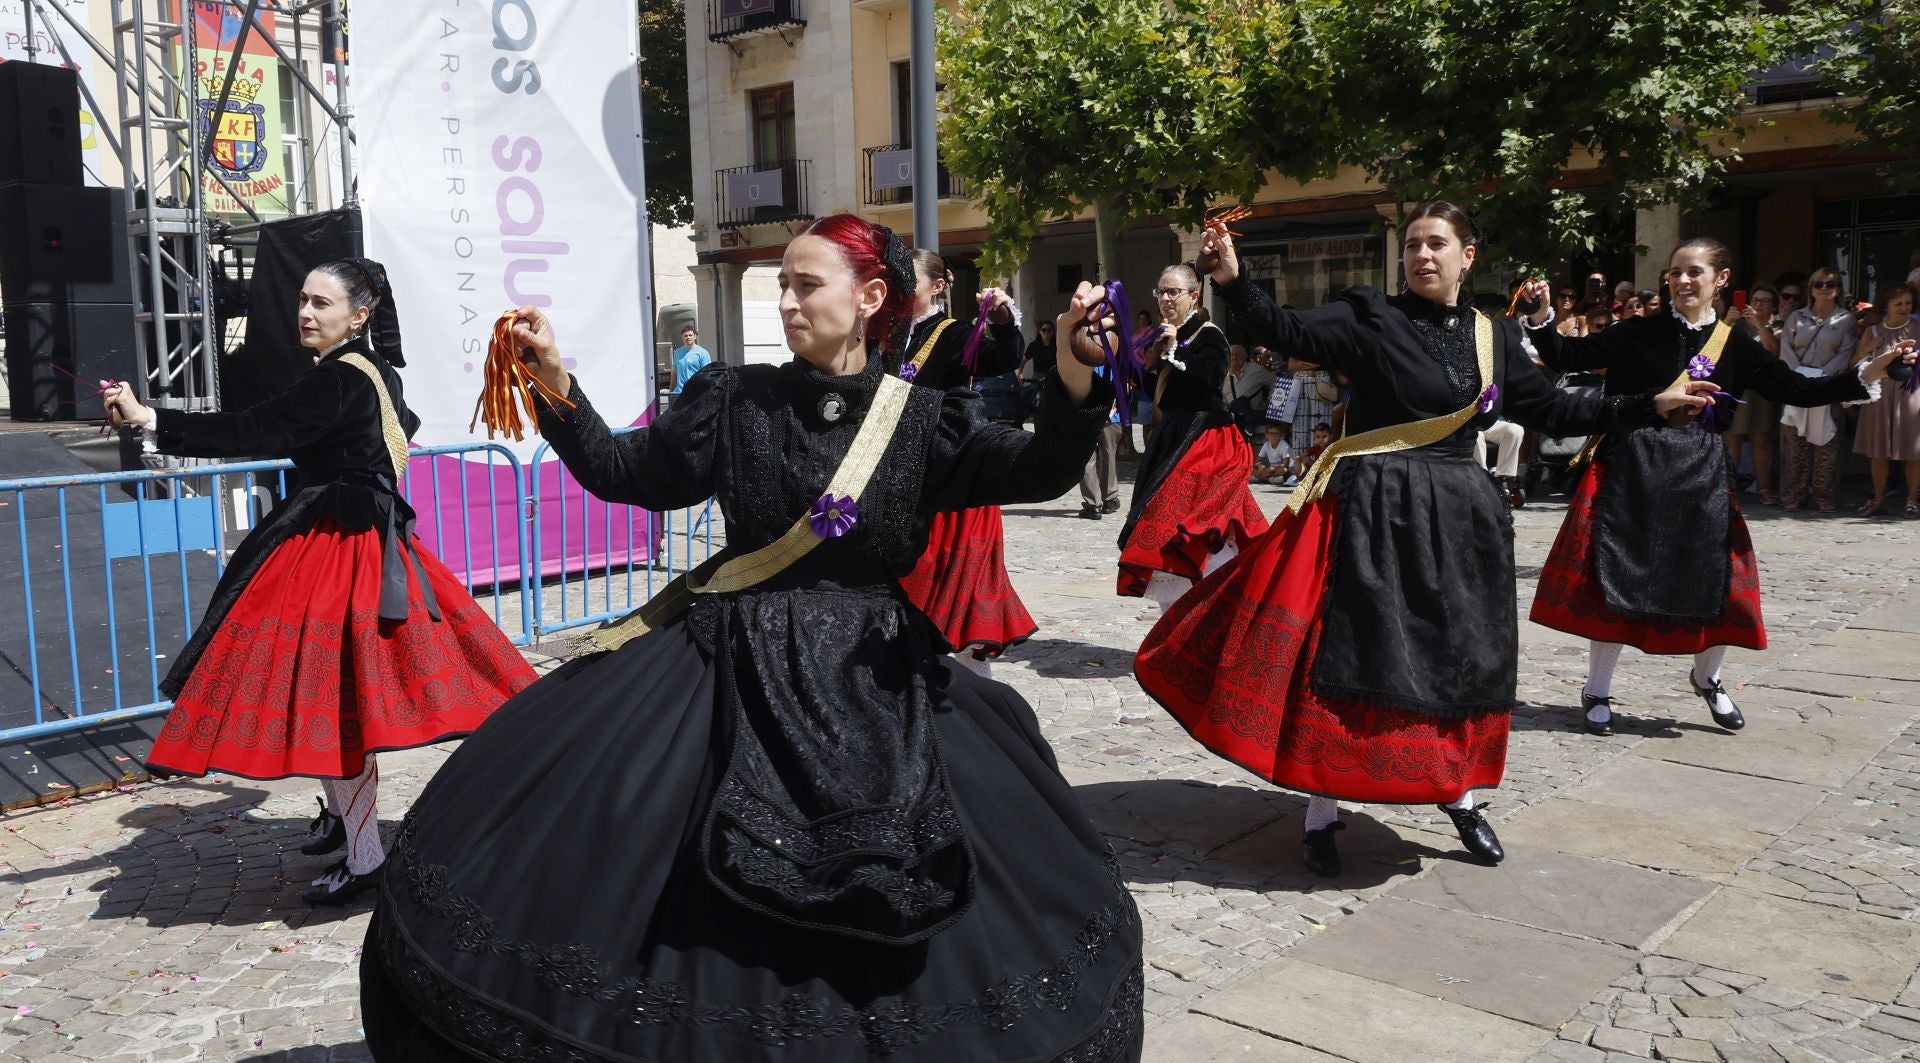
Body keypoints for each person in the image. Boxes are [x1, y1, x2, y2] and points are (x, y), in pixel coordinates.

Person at [358, 215, 1144, 1062]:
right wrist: (555, 383)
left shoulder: (923, 420)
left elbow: (1038, 470)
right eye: (783, 285)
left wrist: (1073, 374)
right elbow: (627, 471)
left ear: (870, 297)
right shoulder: (735, 399)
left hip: (879, 680)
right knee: (624, 820)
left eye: (807, 285)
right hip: (728, 664)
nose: (788, 302)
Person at [1136, 201, 1720, 876]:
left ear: (1467, 256)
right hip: (1371, 509)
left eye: (1437, 243)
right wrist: (1234, 280)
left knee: (1458, 656)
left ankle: (1459, 793)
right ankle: (1322, 811)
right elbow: (1285, 327)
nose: (1422, 255)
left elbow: (1554, 407)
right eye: (1413, 243)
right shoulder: (1369, 315)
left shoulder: (1492, 335)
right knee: (1350, 656)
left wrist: (1648, 405)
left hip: (1459, 518)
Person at [100, 259, 536, 906]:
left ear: (358, 315)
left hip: (341, 549)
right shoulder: (373, 369)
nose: (305, 312)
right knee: (335, 700)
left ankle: (365, 856)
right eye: (303, 299)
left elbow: (254, 429)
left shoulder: (339, 378)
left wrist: (148, 417)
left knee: (335, 706)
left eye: (321, 303)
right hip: (359, 540)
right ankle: (344, 821)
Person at [1521, 240, 1912, 738]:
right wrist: (1541, 315)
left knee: (1723, 581)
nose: (1682, 281)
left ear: (1721, 278)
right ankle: (1597, 690)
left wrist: (1871, 371)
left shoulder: (1735, 343)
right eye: (1675, 273)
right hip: (1630, 468)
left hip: (1701, 471)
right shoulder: (1636, 330)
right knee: (1614, 577)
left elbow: (1796, 389)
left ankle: (1708, 678)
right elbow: (1566, 354)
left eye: (1694, 272)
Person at [894, 249, 1034, 673]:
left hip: (950, 475)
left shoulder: (954, 333)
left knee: (955, 589)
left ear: (937, 286)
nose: (900, 287)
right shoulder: (888, 333)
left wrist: (1002, 319)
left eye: (909, 279)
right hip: (900, 474)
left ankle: (971, 691)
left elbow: (1001, 358)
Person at [1116, 263, 1269, 606]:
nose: (1165, 299)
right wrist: (1140, 369)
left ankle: (1212, 600)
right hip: (1172, 436)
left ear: (1194, 296)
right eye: (1161, 292)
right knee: (1164, 519)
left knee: (1194, 522)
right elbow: (1162, 393)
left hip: (1205, 440)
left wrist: (1175, 351)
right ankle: (1178, 612)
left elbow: (1210, 377)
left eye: (1173, 292)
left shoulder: (1208, 334)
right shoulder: (1167, 334)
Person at [1778, 267, 1858, 512]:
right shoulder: (1796, 317)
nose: (1824, 288)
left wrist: (1823, 378)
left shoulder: (1846, 319)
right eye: (1819, 284)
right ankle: (1794, 495)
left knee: (1827, 444)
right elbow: (1786, 349)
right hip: (1797, 385)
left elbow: (1847, 352)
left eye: (1830, 284)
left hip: (1829, 385)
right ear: (1811, 289)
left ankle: (1824, 496)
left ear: (1838, 289)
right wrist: (1799, 378)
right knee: (1794, 443)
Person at [1851, 281, 1920, 519]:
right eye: (1898, 303)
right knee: (1878, 450)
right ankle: (1879, 499)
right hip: (1879, 396)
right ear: (1886, 306)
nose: (1904, 307)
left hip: (1911, 395)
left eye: (1908, 303)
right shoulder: (1873, 331)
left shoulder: (1918, 328)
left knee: (1913, 450)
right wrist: (1868, 348)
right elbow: (1853, 365)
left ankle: (1911, 500)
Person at [1723, 283, 1783, 505]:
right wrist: (1727, 321)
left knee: (1761, 438)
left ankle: (1764, 489)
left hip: (1762, 388)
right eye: (1755, 299)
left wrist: (1758, 324)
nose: (1758, 304)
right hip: (1737, 386)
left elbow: (1772, 349)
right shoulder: (1736, 324)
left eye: (1765, 300)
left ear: (1774, 305)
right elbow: (1714, 345)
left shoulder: (1779, 325)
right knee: (1733, 439)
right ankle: (1728, 492)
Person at [1080, 364, 1123, 518]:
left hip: (1086, 414)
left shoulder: (1079, 356)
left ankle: (1093, 504)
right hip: (1110, 416)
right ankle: (1109, 498)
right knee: (1108, 457)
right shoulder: (1116, 357)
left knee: (1086, 459)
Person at [1222, 342, 1276, 439]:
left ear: (1244, 357)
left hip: (1253, 416)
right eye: (1231, 355)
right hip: (1232, 420)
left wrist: (1270, 400)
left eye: (1237, 355)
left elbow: (1275, 382)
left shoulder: (1256, 370)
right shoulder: (1223, 374)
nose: (1234, 357)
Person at [672, 324, 713, 392]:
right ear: (682, 337)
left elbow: (707, 375)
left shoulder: (703, 353)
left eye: (690, 335)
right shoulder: (678, 352)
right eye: (685, 335)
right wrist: (670, 392)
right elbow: (674, 373)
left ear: (695, 336)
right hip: (679, 393)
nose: (688, 337)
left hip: (695, 393)